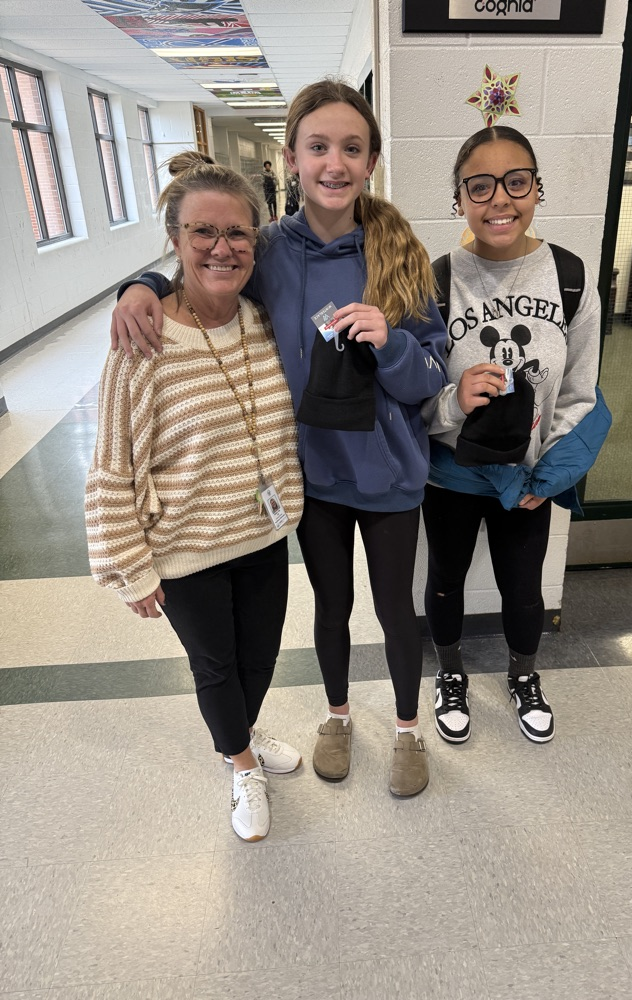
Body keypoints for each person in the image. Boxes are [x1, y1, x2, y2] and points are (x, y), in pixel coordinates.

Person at [110, 81, 448, 798]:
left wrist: (390, 344)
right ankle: (336, 716)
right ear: (291, 158)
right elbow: (204, 266)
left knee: (395, 610)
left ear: (372, 160)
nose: (334, 162)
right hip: (313, 481)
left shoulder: (400, 252)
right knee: (331, 608)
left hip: (390, 479)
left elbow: (427, 377)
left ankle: (410, 729)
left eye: (351, 148)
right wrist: (139, 284)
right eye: (318, 147)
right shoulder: (268, 251)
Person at [87, 152, 305, 843]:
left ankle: (241, 728)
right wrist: (132, 567)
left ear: (256, 241)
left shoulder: (264, 319)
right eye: (202, 233)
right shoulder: (142, 342)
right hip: (185, 549)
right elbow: (111, 467)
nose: (222, 248)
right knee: (215, 663)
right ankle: (240, 762)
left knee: (260, 655)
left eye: (238, 233)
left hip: (263, 534)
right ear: (175, 241)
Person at [421, 125, 610, 747]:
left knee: (523, 587)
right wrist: (453, 400)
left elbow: (581, 392)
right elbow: (412, 395)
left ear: (536, 189)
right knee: (445, 577)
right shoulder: (437, 279)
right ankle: (450, 672)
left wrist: (547, 476)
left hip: (529, 477)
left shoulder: (571, 277)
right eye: (480, 186)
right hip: (451, 471)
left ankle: (524, 675)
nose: (499, 199)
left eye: (516, 181)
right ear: (460, 199)